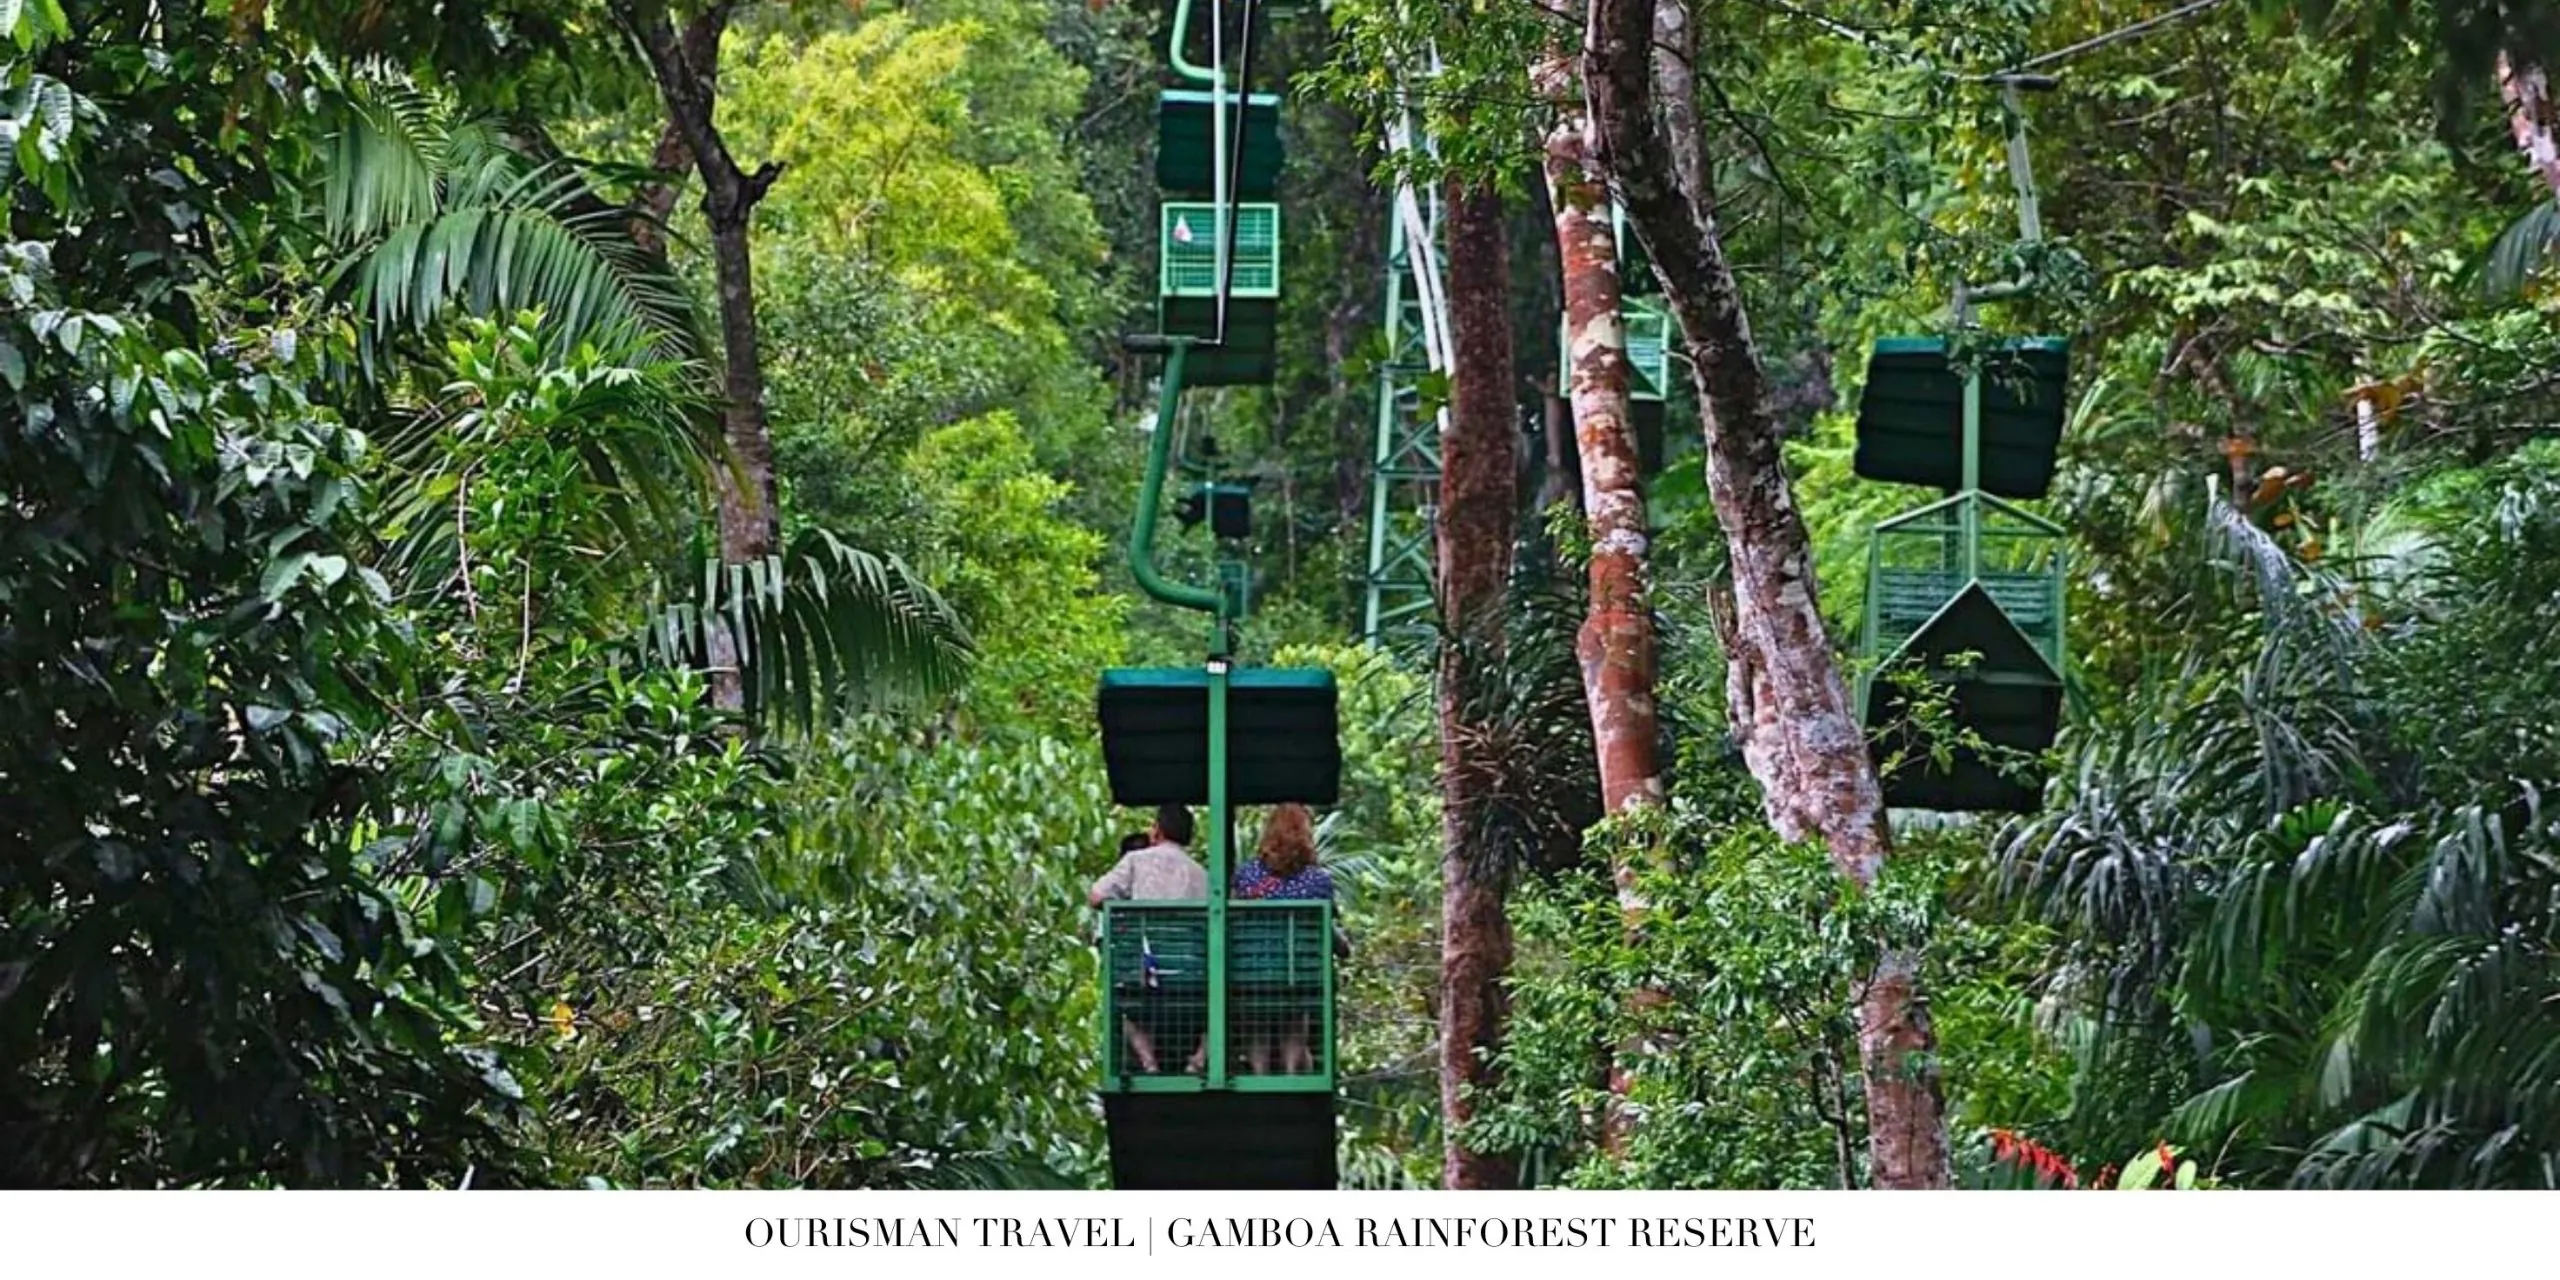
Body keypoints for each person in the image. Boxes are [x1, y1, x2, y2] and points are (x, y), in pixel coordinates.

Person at [1089, 805, 1207, 1074]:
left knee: (1122, 1007)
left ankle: (1148, 1062)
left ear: (1157, 830)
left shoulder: (1136, 861)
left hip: (1147, 977)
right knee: (1224, 1007)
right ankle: (1198, 1059)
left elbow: (1095, 896)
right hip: (1192, 976)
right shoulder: (1203, 874)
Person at [1231, 803, 1333, 1076]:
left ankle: (1260, 1073)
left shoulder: (1247, 874)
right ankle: (1291, 1072)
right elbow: (1326, 924)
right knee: (1295, 1018)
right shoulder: (1318, 880)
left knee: (1257, 1019)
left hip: (1254, 971)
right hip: (1298, 973)